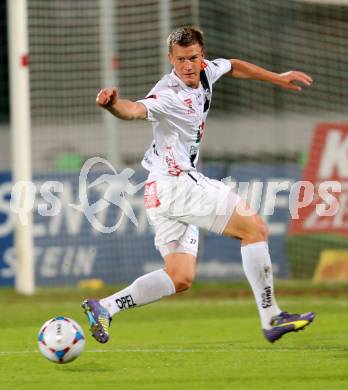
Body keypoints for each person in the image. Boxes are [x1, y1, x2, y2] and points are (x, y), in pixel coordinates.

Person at [82, 26, 315, 344]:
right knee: (255, 229)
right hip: (175, 184)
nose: (187, 66)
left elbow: (233, 65)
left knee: (180, 276)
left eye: (193, 58)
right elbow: (135, 110)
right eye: (180, 60)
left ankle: (105, 307)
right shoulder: (168, 94)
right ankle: (271, 316)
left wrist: (277, 77)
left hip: (159, 190)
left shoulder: (207, 71)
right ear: (170, 59)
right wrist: (112, 105)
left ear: (202, 56)